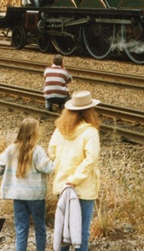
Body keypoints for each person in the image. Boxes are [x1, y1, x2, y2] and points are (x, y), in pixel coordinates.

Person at [48, 91, 101, 251]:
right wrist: (76, 178)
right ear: (89, 111)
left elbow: (51, 152)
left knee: (64, 233)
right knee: (82, 233)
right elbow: (91, 159)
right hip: (83, 188)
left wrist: (65, 174)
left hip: (62, 187)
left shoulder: (60, 129)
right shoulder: (90, 132)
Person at [0, 117, 55, 251]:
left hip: (18, 195)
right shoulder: (37, 151)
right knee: (40, 229)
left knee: (21, 230)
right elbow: (48, 168)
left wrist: (7, 176)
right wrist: (55, 163)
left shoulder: (11, 149)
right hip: (36, 196)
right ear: (34, 133)